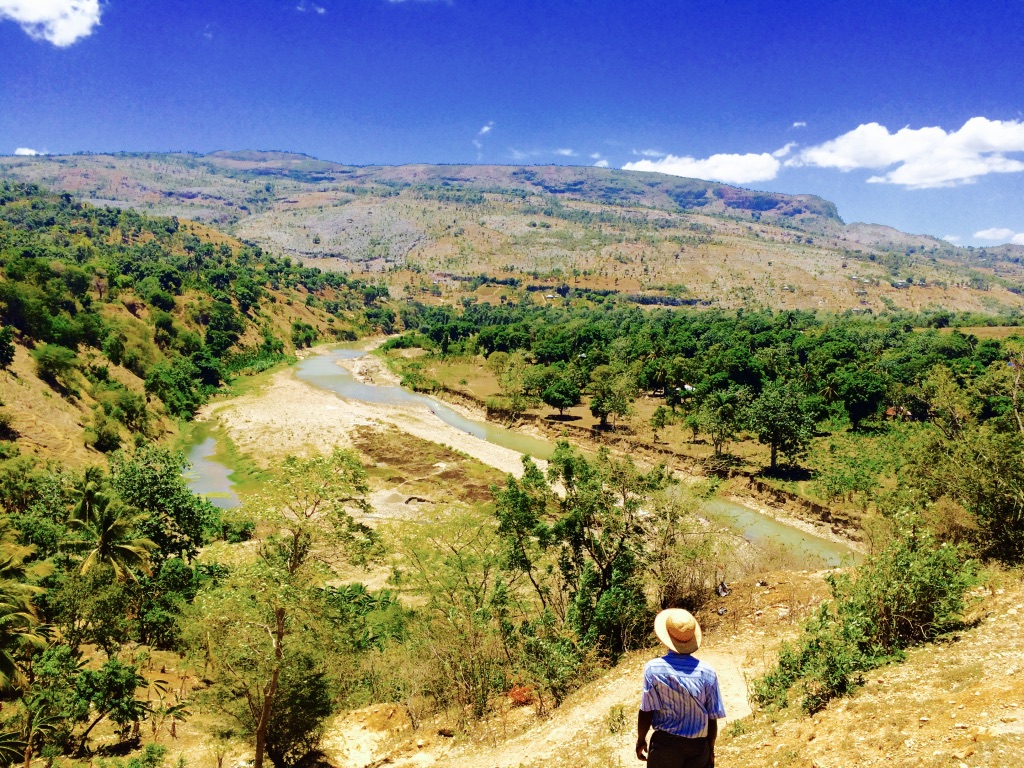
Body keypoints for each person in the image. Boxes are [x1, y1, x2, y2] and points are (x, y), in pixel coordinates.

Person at [636, 608, 726, 768]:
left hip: (665, 745)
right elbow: (712, 717)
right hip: (698, 747)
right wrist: (710, 749)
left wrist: (641, 739)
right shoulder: (707, 672)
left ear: (667, 638)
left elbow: (647, 710)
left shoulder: (653, 669)